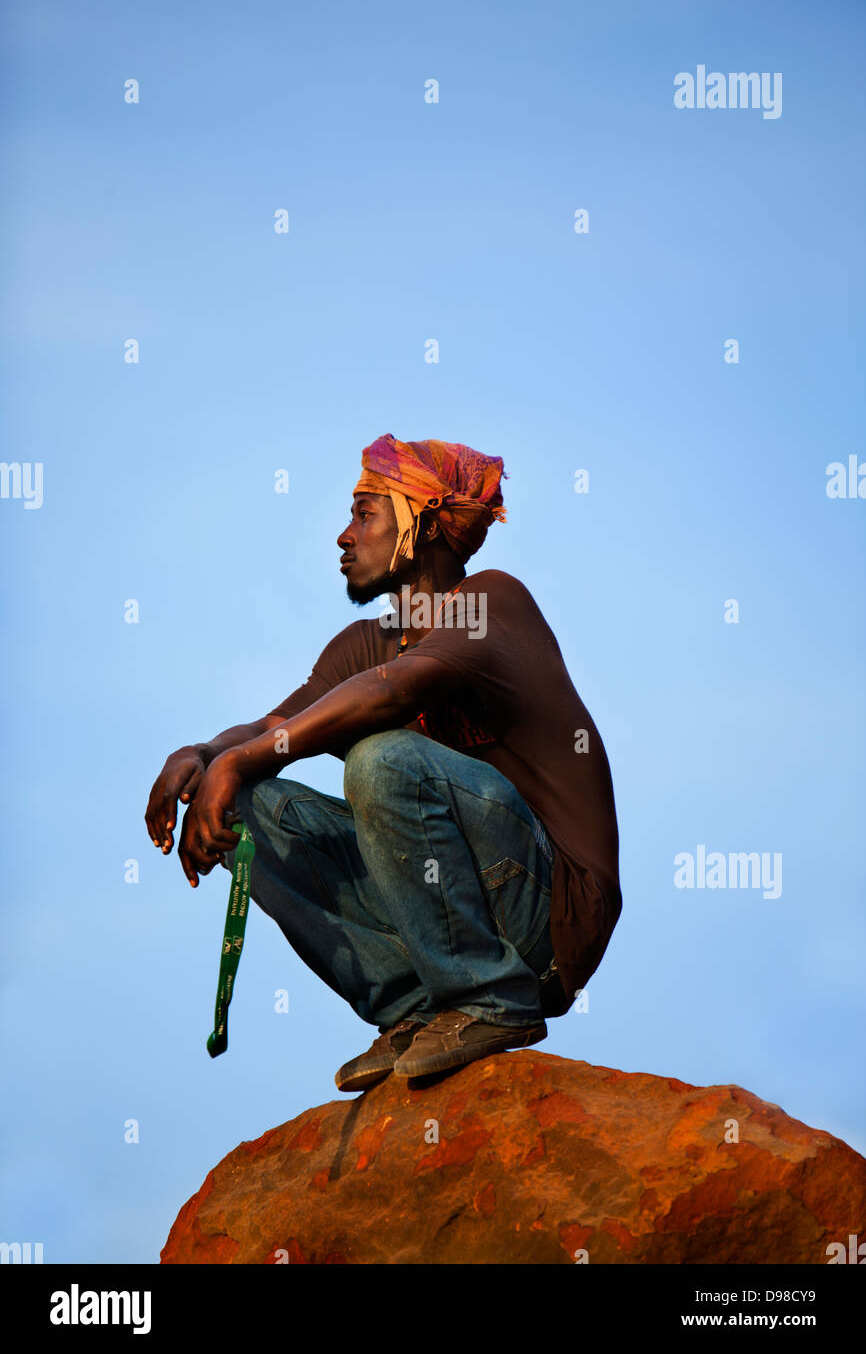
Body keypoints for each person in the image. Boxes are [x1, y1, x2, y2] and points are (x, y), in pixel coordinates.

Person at [145, 433, 621, 1091]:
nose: (344, 535)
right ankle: (414, 1008)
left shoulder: (491, 602)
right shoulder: (368, 644)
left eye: (364, 513)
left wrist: (235, 759)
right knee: (253, 801)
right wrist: (202, 758)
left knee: (380, 758)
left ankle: (488, 997)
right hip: (457, 908)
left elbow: (391, 691)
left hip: (545, 921)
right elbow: (273, 729)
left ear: (421, 521)